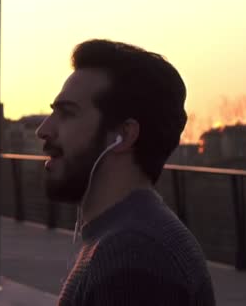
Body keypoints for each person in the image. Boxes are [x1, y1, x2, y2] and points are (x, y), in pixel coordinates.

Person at [36, 39, 215, 305]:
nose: (43, 130)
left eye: (68, 113)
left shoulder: (134, 256)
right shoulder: (122, 237)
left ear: (124, 135)